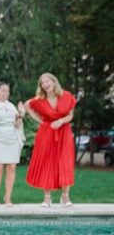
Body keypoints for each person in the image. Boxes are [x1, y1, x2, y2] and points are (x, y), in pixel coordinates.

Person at [23, 72, 77, 206]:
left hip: (64, 132)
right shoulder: (39, 100)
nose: (45, 84)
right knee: (47, 163)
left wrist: (61, 121)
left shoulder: (66, 96)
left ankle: (65, 197)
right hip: (46, 132)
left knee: (65, 163)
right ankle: (47, 198)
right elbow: (27, 105)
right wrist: (39, 120)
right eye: (42, 83)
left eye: (47, 81)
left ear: (54, 82)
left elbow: (70, 115)